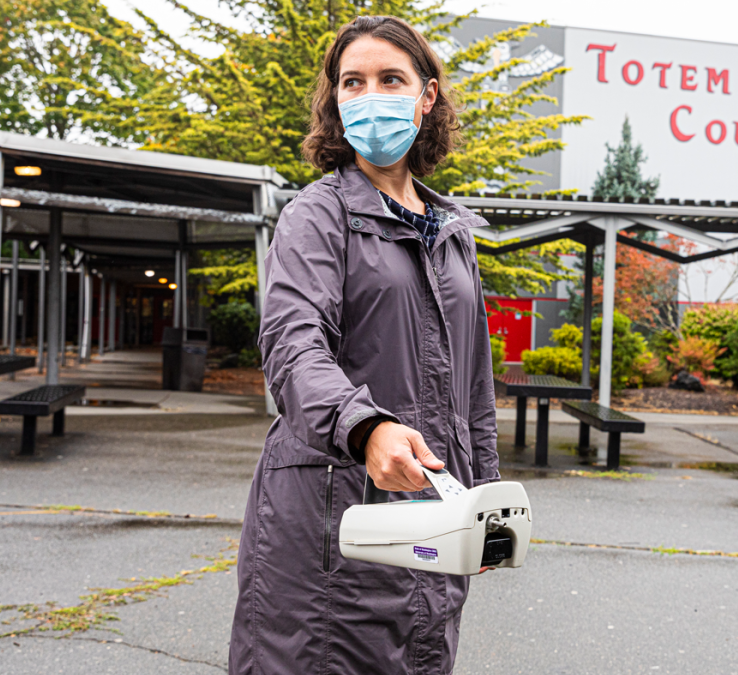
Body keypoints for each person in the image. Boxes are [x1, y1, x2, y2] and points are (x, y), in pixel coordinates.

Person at [228, 15, 500, 675]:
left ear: (426, 95)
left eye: (390, 79)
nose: (370, 93)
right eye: (353, 81)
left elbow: (473, 387)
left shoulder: (451, 231)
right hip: (333, 529)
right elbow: (293, 346)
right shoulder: (317, 216)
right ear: (335, 98)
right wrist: (366, 426)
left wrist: (486, 496)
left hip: (433, 519)